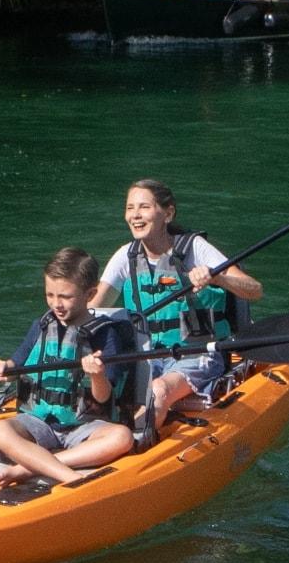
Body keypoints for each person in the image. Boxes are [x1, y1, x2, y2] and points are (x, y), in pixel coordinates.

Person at [92, 181, 264, 438]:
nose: (135, 215)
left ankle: (134, 451)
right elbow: (91, 310)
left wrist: (218, 278)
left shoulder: (194, 249)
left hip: (195, 354)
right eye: (130, 208)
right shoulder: (126, 256)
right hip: (145, 355)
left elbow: (254, 290)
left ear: (168, 214)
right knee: (107, 391)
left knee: (157, 391)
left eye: (144, 207)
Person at [0, 247, 138, 492]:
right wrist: (1, 366)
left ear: (90, 294)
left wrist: (96, 374)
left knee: (122, 437)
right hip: (39, 422)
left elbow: (103, 396)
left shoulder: (105, 335)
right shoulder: (41, 326)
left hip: (84, 426)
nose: (57, 304)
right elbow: (16, 364)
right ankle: (71, 478)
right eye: (50, 295)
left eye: (65, 296)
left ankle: (27, 468)